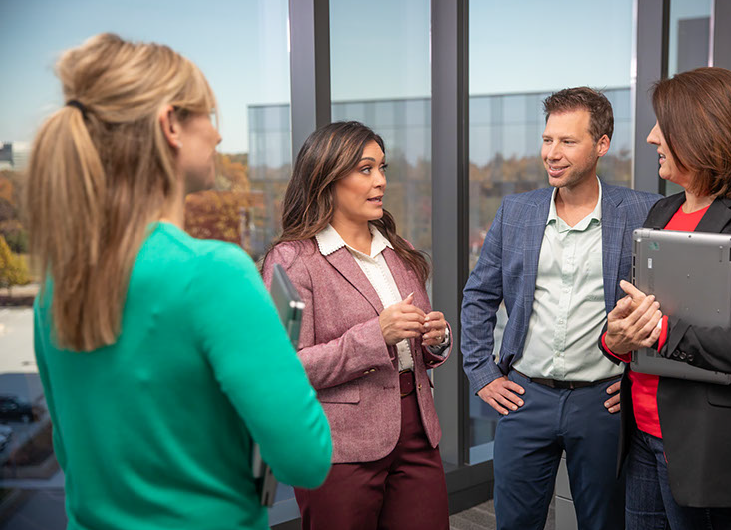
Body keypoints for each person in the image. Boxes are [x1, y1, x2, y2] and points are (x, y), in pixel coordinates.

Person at [27, 33, 332, 530]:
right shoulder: (214, 273)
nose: (216, 136)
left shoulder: (55, 287)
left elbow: (73, 452)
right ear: (171, 124)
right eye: (208, 116)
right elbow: (306, 459)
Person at [600, 67, 731, 530]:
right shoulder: (662, 210)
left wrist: (664, 332)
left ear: (701, 133)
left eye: (662, 127)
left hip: (706, 449)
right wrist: (617, 337)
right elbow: (634, 318)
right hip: (641, 438)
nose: (651, 137)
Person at [460, 87, 661, 530]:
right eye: (548, 140)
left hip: (603, 402)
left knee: (604, 522)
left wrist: (635, 377)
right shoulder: (516, 211)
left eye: (567, 141)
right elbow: (478, 297)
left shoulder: (642, 212)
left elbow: (663, 308)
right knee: (514, 523)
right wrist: (482, 374)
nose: (552, 153)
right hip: (525, 398)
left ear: (601, 145)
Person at [263, 121, 451, 530]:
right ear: (327, 179)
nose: (380, 181)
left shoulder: (398, 252)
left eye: (382, 168)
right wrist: (375, 336)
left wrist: (437, 339)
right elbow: (280, 369)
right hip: (339, 446)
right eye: (365, 170)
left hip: (417, 431)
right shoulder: (292, 260)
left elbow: (414, 340)